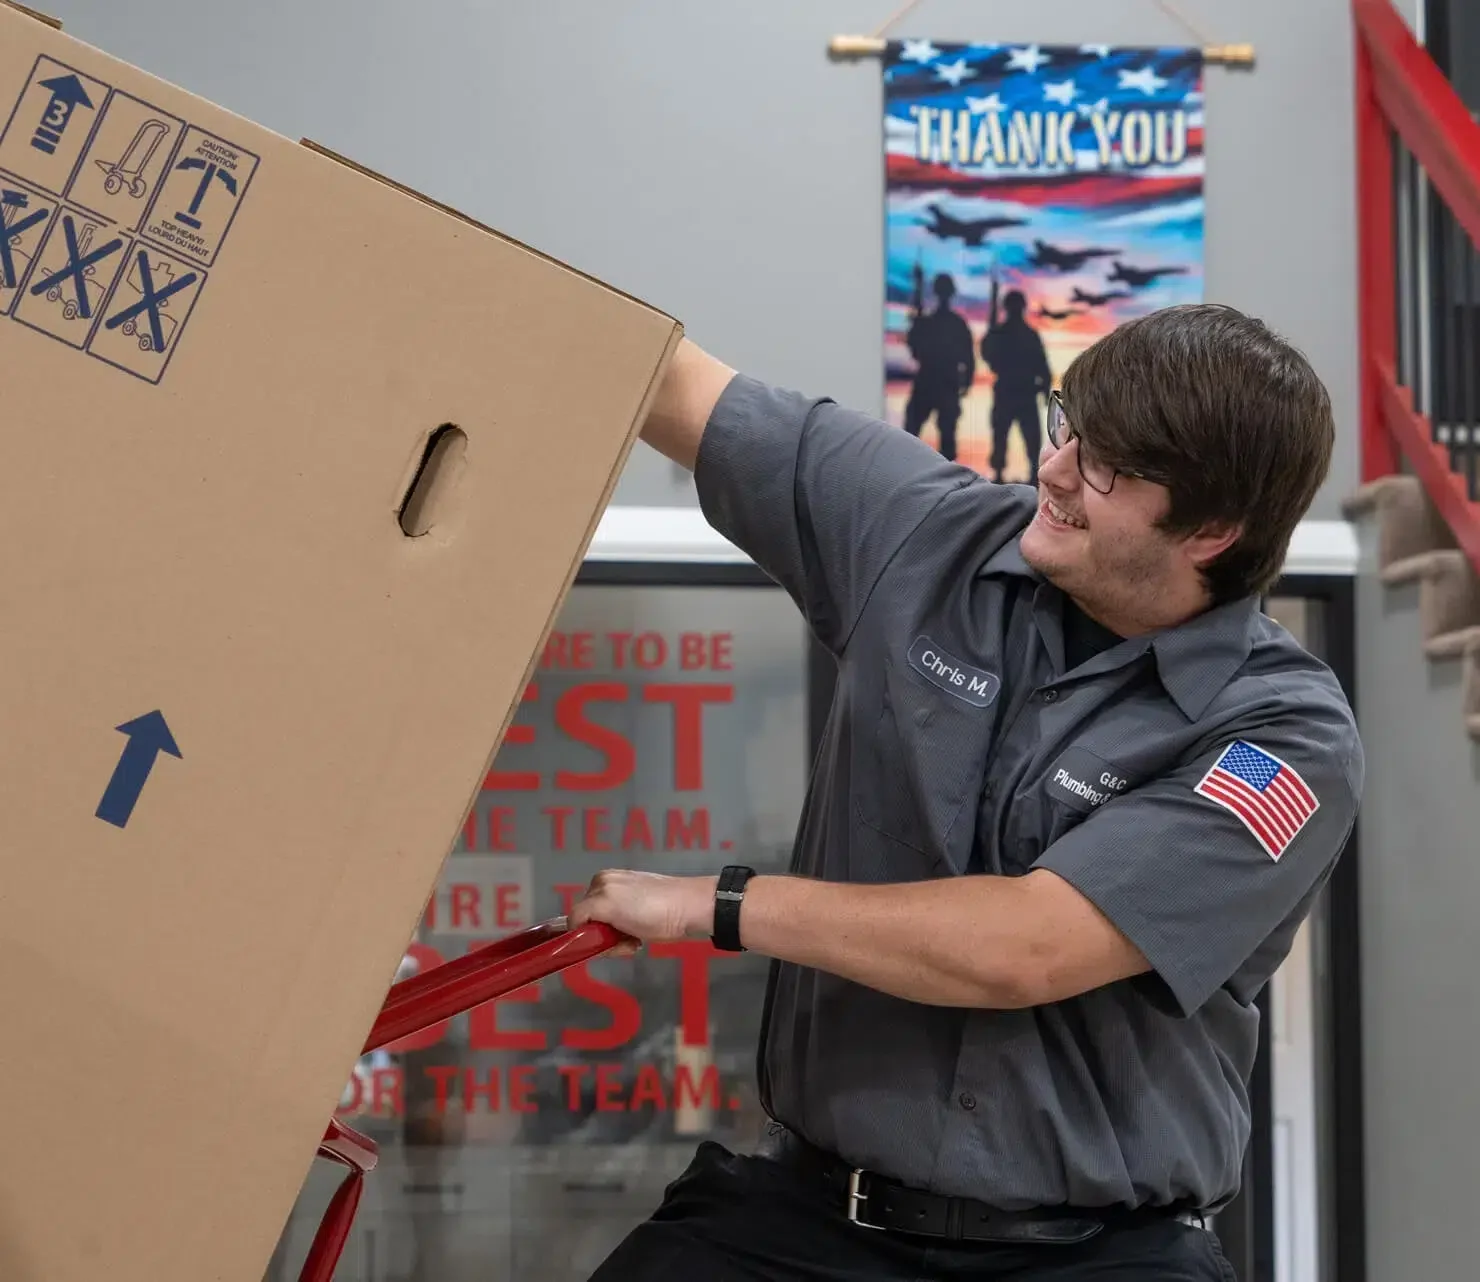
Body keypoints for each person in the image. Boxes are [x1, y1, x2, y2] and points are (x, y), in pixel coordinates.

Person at [569, 303, 1362, 1282]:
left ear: (1210, 532)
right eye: (1070, 425)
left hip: (1096, 1257)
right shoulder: (926, 533)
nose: (1055, 469)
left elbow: (1023, 949)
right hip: (814, 1219)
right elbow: (675, 384)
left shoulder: (1282, 740)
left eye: (1106, 467)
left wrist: (716, 903)